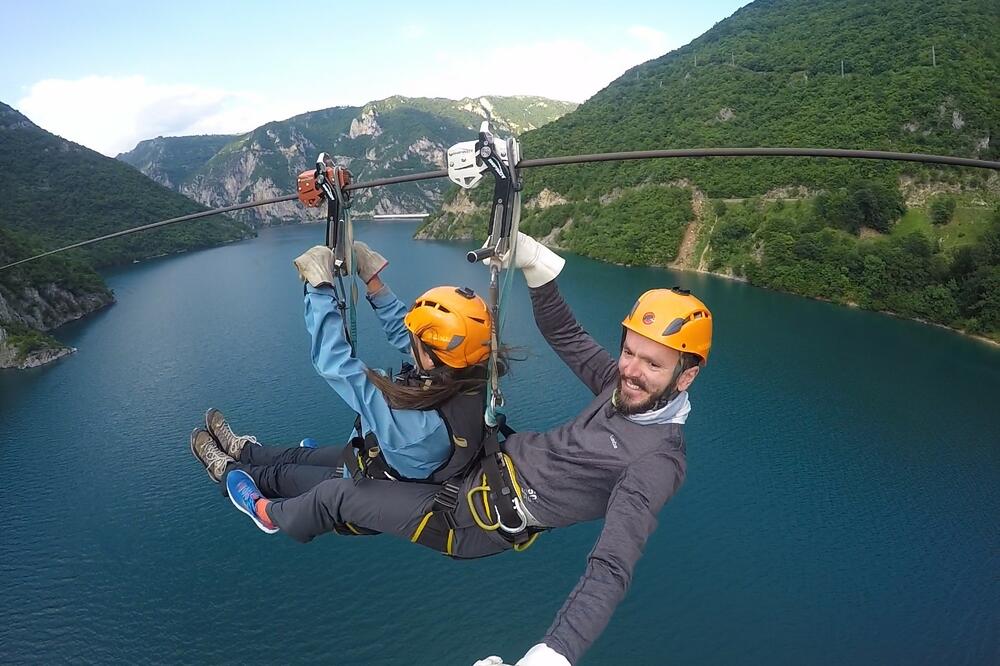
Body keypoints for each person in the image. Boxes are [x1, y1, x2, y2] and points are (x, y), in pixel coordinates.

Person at [193, 233, 712, 666]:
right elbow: (568, 335)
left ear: (686, 375)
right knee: (310, 459)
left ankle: (260, 506)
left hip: (470, 519)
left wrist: (554, 653)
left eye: (652, 364)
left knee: (338, 496)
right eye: (629, 352)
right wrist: (535, 265)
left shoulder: (654, 462)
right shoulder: (620, 391)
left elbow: (612, 564)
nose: (631, 369)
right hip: (470, 475)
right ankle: (248, 456)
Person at [190, 240, 501, 502]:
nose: (412, 343)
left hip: (372, 479)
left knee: (279, 474)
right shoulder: (467, 369)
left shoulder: (415, 425)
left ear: (432, 358)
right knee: (295, 457)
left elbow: (335, 363)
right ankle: (242, 449)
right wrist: (373, 279)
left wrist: (319, 288)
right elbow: (407, 335)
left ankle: (225, 469)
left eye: (418, 342)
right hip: (378, 452)